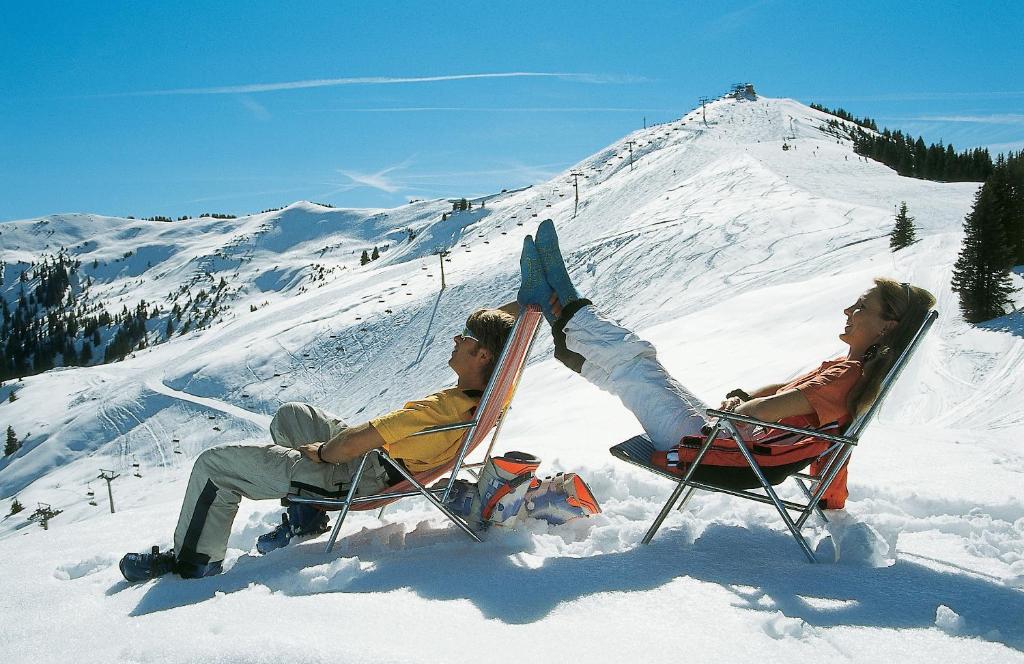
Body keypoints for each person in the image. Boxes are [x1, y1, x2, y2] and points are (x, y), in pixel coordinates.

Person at [517, 219, 935, 506]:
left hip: (717, 451)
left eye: (862, 307)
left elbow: (766, 412)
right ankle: (557, 308)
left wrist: (738, 409)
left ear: (886, 327)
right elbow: (790, 403)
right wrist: (831, 498)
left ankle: (564, 299)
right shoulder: (849, 373)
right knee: (640, 371)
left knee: (636, 364)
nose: (849, 310)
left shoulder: (846, 376)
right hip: (730, 444)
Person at [119, 307, 515, 582]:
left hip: (359, 475)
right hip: (385, 463)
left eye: (465, 336)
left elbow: (356, 442)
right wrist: (532, 303)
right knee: (292, 416)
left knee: (213, 466)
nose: (455, 337)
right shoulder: (497, 386)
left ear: (481, 353)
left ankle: (192, 564)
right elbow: (504, 338)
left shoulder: (439, 410)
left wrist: (322, 454)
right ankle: (305, 518)